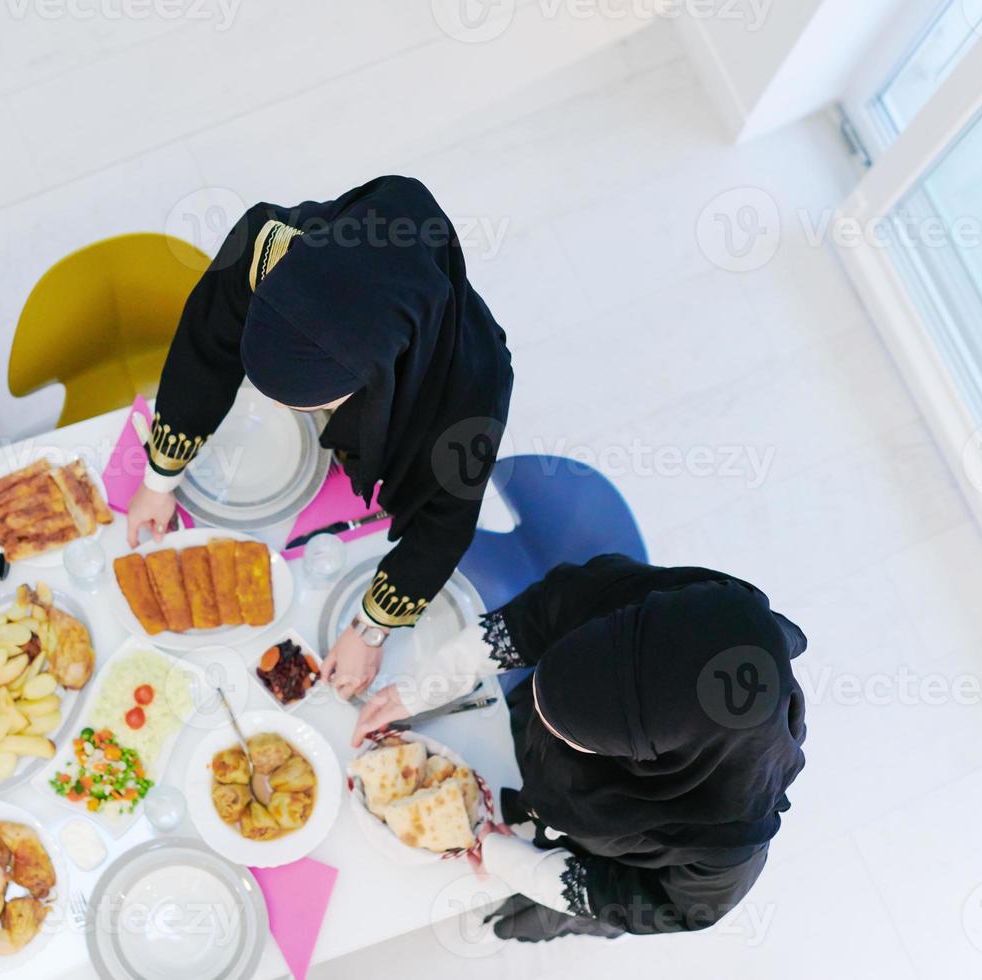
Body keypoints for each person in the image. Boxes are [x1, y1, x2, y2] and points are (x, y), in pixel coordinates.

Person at [125, 176, 513, 700]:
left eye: (311, 406)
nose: (283, 412)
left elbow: (441, 528)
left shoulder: (470, 398)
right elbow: (206, 345)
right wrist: (159, 476)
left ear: (375, 383)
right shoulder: (271, 253)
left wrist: (371, 631)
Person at [353, 554, 808, 942]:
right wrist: (419, 689)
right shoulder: (659, 601)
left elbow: (658, 905)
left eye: (575, 740)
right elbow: (539, 615)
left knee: (514, 918)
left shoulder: (727, 847)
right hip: (530, 772)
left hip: (590, 862)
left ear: (652, 759)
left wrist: (514, 862)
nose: (554, 733)